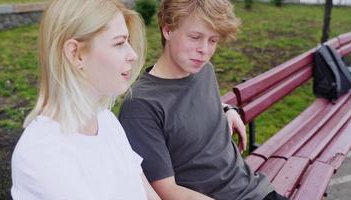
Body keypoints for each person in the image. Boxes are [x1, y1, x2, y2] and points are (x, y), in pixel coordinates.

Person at [119, 0, 289, 199]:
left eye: (213, 40)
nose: (204, 50)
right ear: (167, 30)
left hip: (254, 187)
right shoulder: (141, 106)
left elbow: (190, 106)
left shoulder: (203, 70)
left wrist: (227, 109)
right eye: (195, 37)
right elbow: (165, 191)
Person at [11, 0, 160, 199]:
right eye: (119, 43)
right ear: (76, 54)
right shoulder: (42, 155)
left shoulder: (106, 120)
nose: (132, 55)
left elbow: (146, 193)